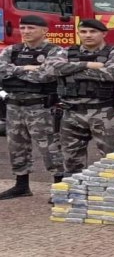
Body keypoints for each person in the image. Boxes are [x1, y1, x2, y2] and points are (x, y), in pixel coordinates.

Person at [51, 19, 114, 175]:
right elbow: (52, 69)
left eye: (93, 32)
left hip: (105, 112)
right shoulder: (66, 52)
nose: (88, 35)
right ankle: (73, 194)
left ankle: (112, 195)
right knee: (71, 160)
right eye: (83, 32)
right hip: (71, 112)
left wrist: (71, 70)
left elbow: (112, 73)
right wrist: (87, 65)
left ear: (104, 34)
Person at [0, 15, 64, 200]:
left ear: (44, 31)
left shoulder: (55, 51)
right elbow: (1, 71)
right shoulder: (12, 50)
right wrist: (28, 68)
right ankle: (21, 186)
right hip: (14, 105)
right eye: (24, 28)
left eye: (31, 28)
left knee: (50, 147)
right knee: (16, 146)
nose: (26, 32)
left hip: (40, 106)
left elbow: (46, 75)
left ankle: (60, 187)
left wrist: (15, 71)